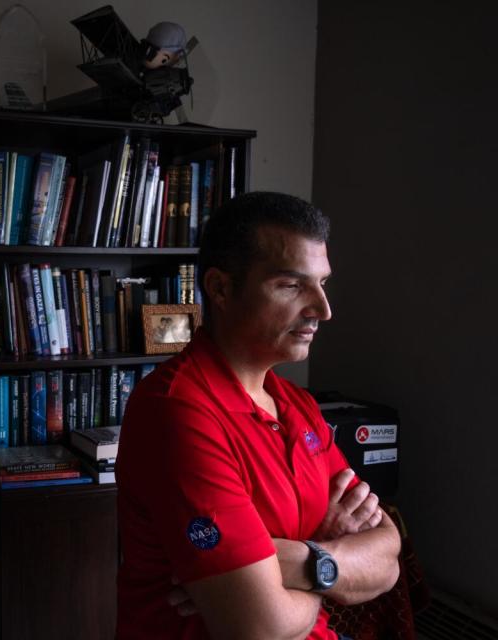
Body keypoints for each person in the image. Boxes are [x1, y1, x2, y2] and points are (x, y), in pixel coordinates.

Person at [115, 192, 401, 639]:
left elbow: (387, 557)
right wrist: (330, 558)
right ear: (221, 288)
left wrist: (295, 560)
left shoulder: (297, 404)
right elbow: (260, 627)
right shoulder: (177, 412)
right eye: (292, 286)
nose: (323, 310)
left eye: (322, 283)